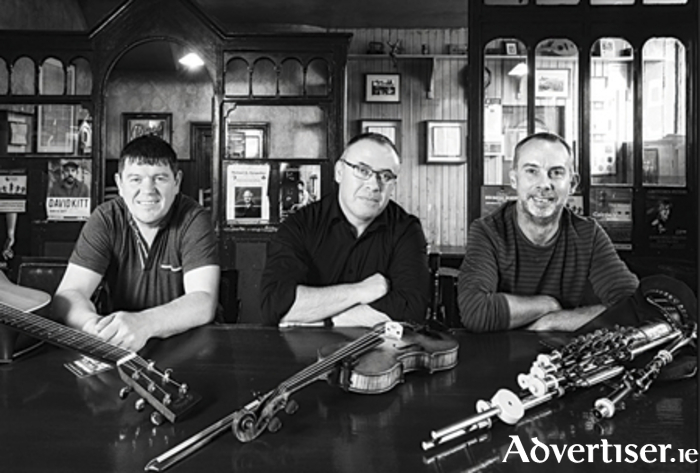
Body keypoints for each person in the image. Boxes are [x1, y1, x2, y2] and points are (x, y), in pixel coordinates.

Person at [52, 135, 220, 352]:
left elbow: (204, 302)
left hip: (188, 346)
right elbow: (69, 294)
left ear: (177, 182)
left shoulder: (193, 218)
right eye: (135, 179)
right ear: (119, 184)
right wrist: (93, 326)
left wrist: (143, 323)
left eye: (160, 178)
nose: (148, 189)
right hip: (121, 344)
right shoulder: (106, 219)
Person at [458, 132, 638, 333]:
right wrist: (547, 305)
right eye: (532, 171)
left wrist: (553, 321)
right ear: (514, 180)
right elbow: (475, 312)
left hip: (565, 352)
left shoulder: (589, 235)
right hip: (502, 352)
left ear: (572, 183)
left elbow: (634, 307)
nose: (544, 184)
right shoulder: (488, 232)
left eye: (556, 173)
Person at [260, 132, 429, 327]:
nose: (374, 185)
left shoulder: (406, 229)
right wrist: (360, 291)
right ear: (339, 172)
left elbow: (411, 311)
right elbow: (275, 305)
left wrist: (326, 321)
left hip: (378, 347)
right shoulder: (300, 225)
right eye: (363, 170)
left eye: (385, 176)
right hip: (305, 347)